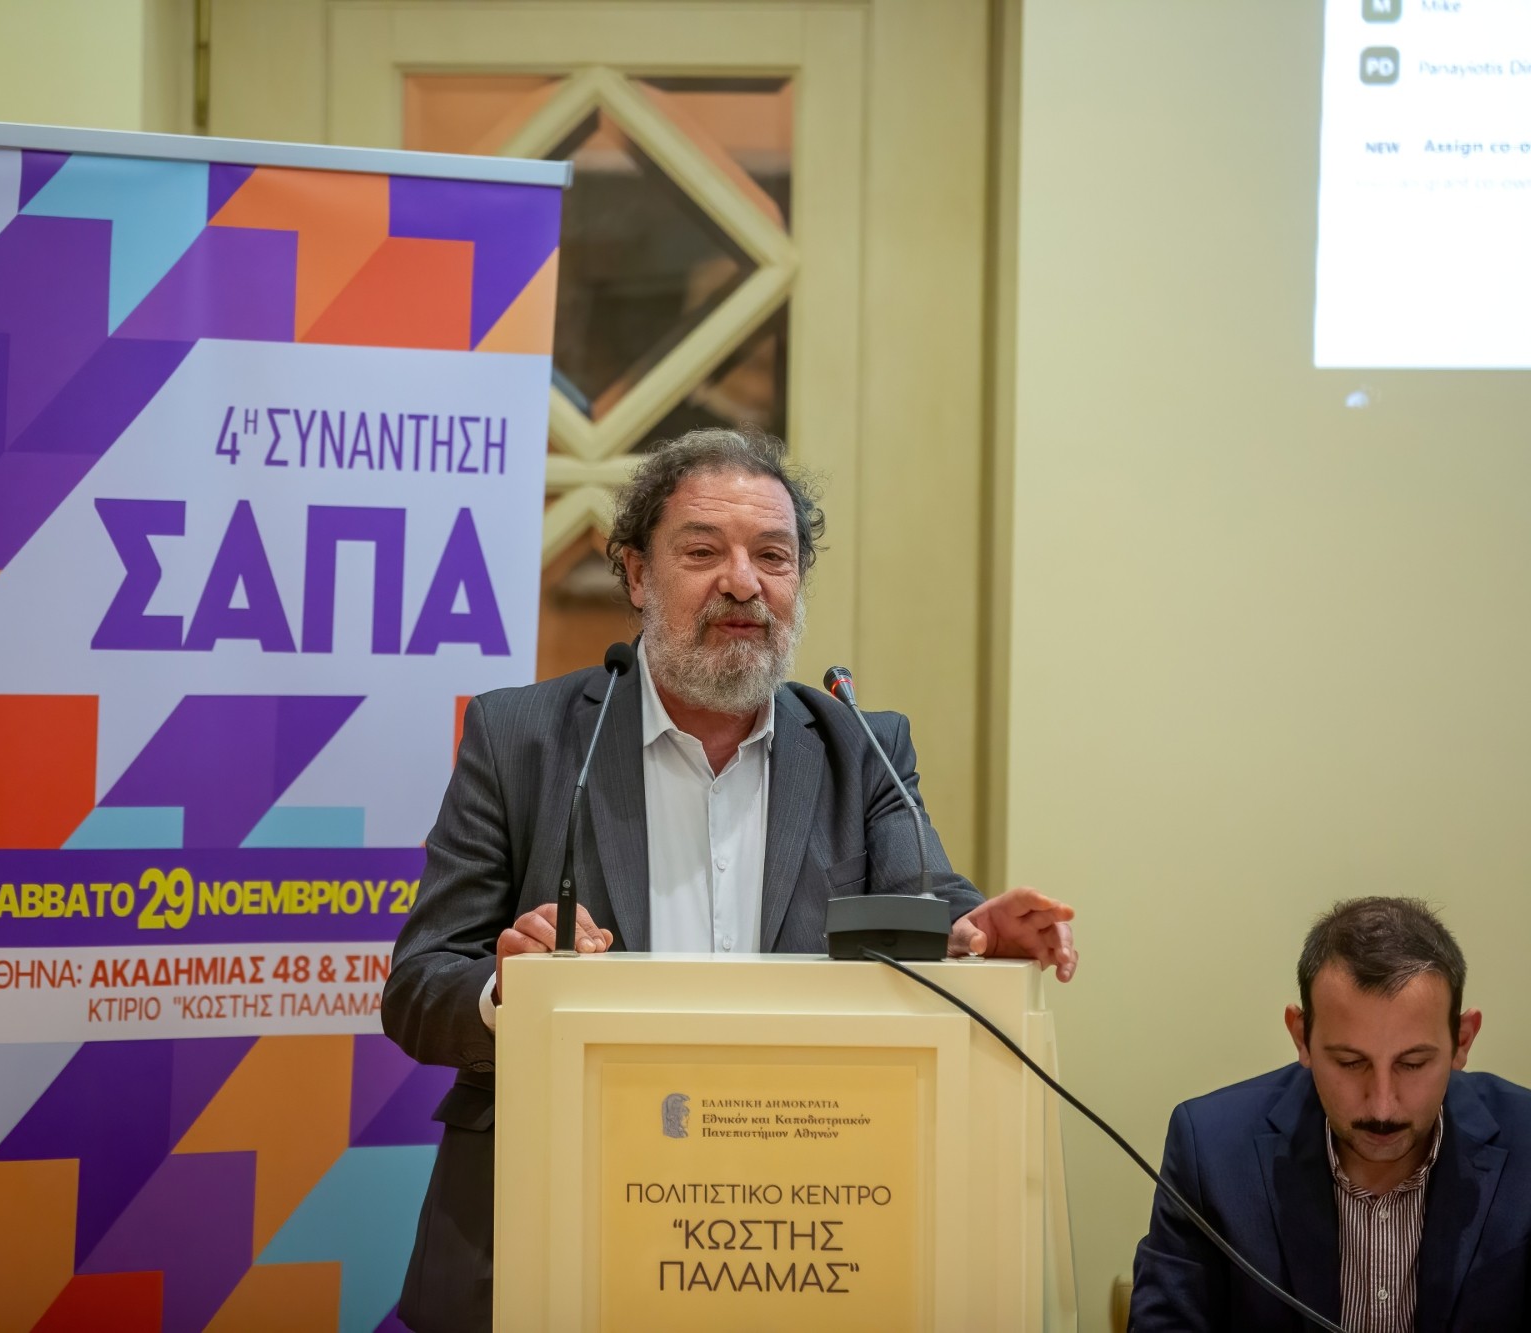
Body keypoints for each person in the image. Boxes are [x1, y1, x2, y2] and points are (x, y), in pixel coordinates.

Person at [384, 427, 1079, 1332]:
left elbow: (932, 905)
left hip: (797, 1229)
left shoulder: (860, 745)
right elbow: (419, 985)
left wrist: (982, 934)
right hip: (553, 1214)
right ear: (637, 575)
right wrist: (506, 990)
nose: (743, 582)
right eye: (704, 551)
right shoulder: (523, 739)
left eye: (774, 556)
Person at [1130, 896, 1531, 1332]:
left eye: (1413, 1063)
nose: (1381, 1106)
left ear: (1462, 1040)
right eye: (1349, 1062)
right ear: (1301, 1036)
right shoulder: (1209, 1150)